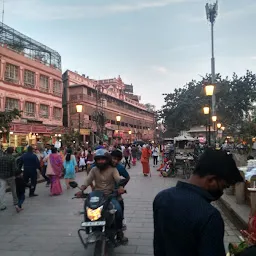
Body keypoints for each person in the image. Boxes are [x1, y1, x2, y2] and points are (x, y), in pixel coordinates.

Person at [153, 149, 244, 256]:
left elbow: (158, 244)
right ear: (211, 180)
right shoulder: (209, 215)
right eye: (223, 187)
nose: (222, 192)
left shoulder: (162, 197)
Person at [82, 149, 128, 243]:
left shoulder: (113, 169)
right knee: (87, 208)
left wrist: (121, 187)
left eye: (103, 159)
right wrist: (81, 189)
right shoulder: (94, 169)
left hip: (110, 196)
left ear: (107, 160)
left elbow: (118, 179)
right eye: (98, 159)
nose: (100, 161)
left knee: (118, 210)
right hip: (97, 195)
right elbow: (88, 180)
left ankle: (119, 231)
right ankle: (89, 229)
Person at [111, 149, 130, 227]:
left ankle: (119, 229)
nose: (115, 161)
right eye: (114, 158)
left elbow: (127, 177)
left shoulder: (120, 168)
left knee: (119, 207)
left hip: (115, 192)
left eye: (117, 160)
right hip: (101, 192)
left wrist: (121, 187)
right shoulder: (103, 165)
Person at [0, 147, 19, 211]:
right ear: (12, 152)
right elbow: (14, 169)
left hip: (2, 176)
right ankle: (16, 203)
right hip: (10, 176)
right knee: (13, 190)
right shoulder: (12, 158)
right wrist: (16, 175)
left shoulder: (1, 157)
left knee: (2, 190)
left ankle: (1, 205)